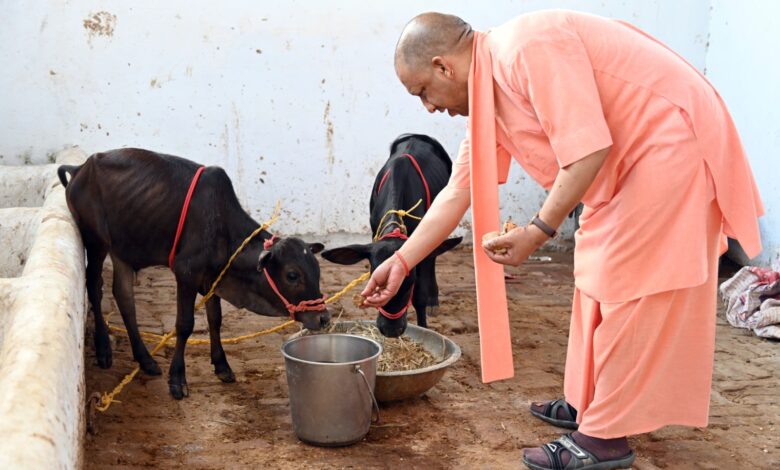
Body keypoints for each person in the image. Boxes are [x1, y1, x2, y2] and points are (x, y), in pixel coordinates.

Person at [360, 10, 764, 470]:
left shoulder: (526, 48)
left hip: (671, 142)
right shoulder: (490, 87)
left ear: (443, 67)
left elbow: (589, 148)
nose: (429, 108)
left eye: (423, 93)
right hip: (632, 158)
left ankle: (605, 436)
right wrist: (403, 261)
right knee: (594, 267)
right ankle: (587, 400)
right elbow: (459, 189)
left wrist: (539, 230)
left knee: (628, 282)